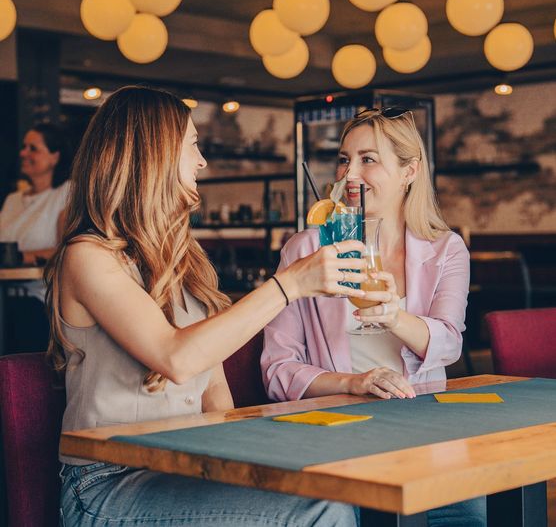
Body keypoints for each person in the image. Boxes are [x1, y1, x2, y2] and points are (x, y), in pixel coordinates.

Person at [47, 86, 370, 527]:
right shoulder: (88, 256)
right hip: (107, 483)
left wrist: (252, 456)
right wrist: (289, 285)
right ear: (153, 156)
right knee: (323, 509)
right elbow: (177, 358)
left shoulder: (185, 258)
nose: (202, 162)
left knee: (326, 488)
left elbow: (213, 389)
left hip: (183, 466)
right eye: (193, 147)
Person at [261, 108, 486, 527]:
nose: (350, 174)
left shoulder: (445, 249)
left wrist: (394, 316)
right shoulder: (306, 249)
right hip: (335, 437)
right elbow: (277, 369)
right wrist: (354, 383)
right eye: (345, 159)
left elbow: (450, 343)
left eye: (368, 159)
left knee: (470, 515)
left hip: (426, 434)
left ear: (409, 171)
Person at [0, 123, 71, 352]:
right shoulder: (12, 200)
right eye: (23, 147)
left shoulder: (66, 193)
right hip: (5, 297)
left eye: (33, 148)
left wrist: (20, 256)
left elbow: (67, 249)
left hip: (39, 300)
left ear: (54, 156)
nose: (23, 153)